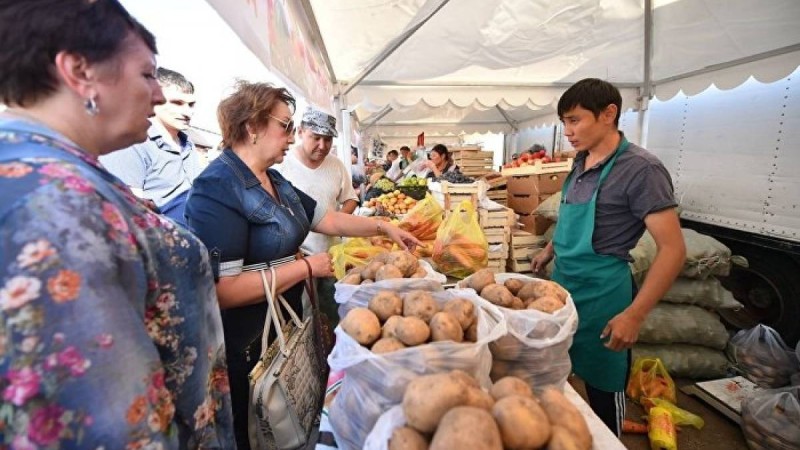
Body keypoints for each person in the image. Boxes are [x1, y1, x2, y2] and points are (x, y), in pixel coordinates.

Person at [0, 1, 235, 448]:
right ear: (79, 71)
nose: (160, 95)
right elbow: (106, 420)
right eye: (147, 74)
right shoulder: (50, 204)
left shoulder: (54, 178)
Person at [184, 80, 420, 449]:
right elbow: (223, 291)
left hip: (288, 324)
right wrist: (307, 268)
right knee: (260, 428)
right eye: (286, 125)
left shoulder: (274, 180)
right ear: (252, 126)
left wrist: (383, 226)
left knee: (290, 423)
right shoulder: (216, 188)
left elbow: (328, 219)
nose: (292, 136)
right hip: (250, 343)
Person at [531, 78, 686, 436]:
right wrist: (549, 249)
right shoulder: (581, 161)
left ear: (608, 114)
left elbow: (674, 249)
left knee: (604, 387)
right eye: (564, 122)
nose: (567, 131)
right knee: (559, 377)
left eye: (575, 120)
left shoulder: (641, 170)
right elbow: (571, 213)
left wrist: (634, 315)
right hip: (564, 288)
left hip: (604, 296)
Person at [275, 106, 359, 326]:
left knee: (334, 314)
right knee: (303, 319)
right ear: (301, 132)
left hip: (332, 256)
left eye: (328, 140)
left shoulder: (336, 165)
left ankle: (330, 355)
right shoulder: (282, 165)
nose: (322, 146)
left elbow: (351, 198)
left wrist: (338, 221)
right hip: (296, 259)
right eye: (316, 138)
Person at [99, 67, 202, 226]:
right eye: (177, 103)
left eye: (191, 104)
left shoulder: (189, 146)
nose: (187, 112)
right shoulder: (131, 144)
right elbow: (128, 212)